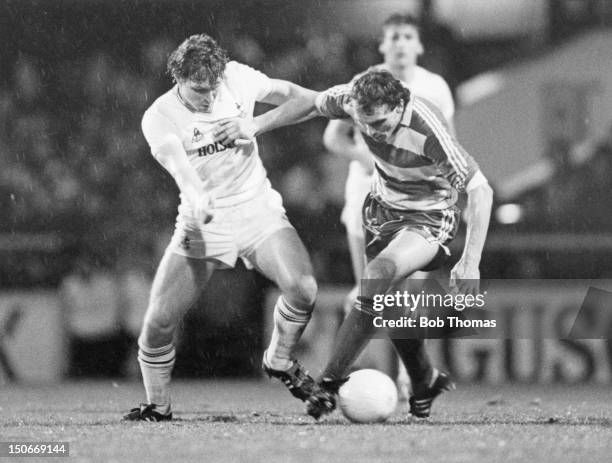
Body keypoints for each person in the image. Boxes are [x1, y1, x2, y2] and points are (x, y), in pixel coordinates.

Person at [217, 70, 493, 420]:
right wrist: (256, 124)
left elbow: (481, 190)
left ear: (400, 106)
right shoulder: (352, 99)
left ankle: (327, 384)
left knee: (376, 278)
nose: (373, 131)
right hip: (384, 213)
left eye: (380, 122)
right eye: (365, 123)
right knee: (384, 302)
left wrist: (471, 262)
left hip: (431, 218)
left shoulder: (426, 127)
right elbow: (309, 104)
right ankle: (424, 378)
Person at [124, 34, 321, 421]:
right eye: (199, 91)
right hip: (205, 218)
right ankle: (157, 406)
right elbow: (181, 170)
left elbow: (307, 100)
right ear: (177, 78)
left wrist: (256, 123)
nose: (209, 98)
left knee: (304, 289)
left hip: (256, 208)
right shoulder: (160, 116)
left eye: (213, 88)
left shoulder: (238, 77)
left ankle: (279, 359)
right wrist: (197, 197)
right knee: (159, 323)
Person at [322, 14, 456, 401]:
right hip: (366, 197)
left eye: (407, 36)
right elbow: (333, 137)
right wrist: (367, 160)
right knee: (369, 289)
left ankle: (405, 379)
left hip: (418, 201)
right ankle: (355, 370)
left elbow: (448, 142)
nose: (399, 43)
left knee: (404, 295)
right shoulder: (367, 82)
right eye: (393, 36)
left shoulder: (434, 87)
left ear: (418, 45)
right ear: (382, 45)